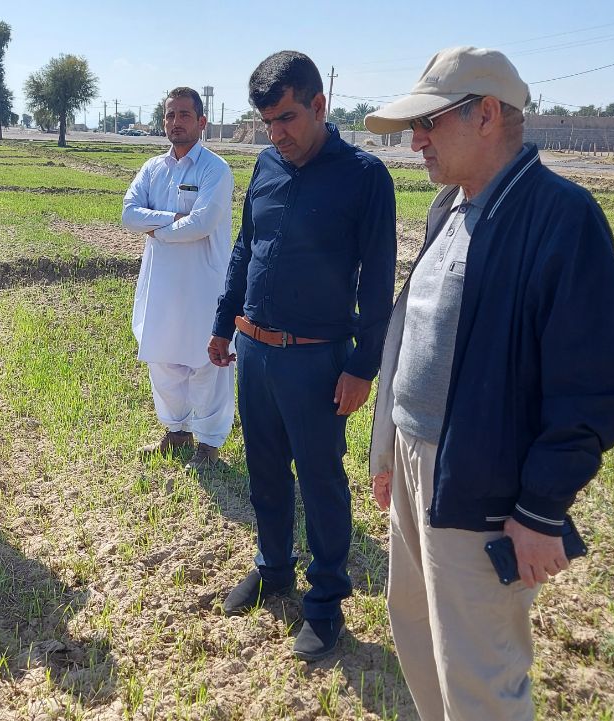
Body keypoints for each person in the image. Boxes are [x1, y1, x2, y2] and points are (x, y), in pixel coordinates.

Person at [363, 46, 614, 720]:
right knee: (420, 634)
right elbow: (415, 332)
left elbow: (596, 384)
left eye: (428, 124)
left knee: (482, 673)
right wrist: (386, 447)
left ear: (487, 114)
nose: (415, 142)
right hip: (415, 461)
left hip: (478, 485)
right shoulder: (450, 208)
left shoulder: (560, 218)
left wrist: (542, 510)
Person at [209, 50, 396, 661]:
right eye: (268, 122)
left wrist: (362, 366)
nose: (277, 133)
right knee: (264, 473)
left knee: (320, 482)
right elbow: (245, 251)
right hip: (256, 354)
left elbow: (378, 283)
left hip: (318, 362)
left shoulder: (365, 177)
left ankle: (325, 602)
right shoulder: (265, 166)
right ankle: (274, 568)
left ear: (320, 105)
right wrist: (222, 325)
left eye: (287, 118)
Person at [122, 86, 235, 472]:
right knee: (164, 359)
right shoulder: (152, 168)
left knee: (208, 364)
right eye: (170, 115)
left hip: (204, 284)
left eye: (185, 115)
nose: (176, 122)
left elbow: (202, 224)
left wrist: (153, 225)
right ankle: (175, 432)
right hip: (162, 285)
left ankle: (209, 442)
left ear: (201, 122)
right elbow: (128, 214)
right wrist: (170, 220)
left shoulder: (215, 169)